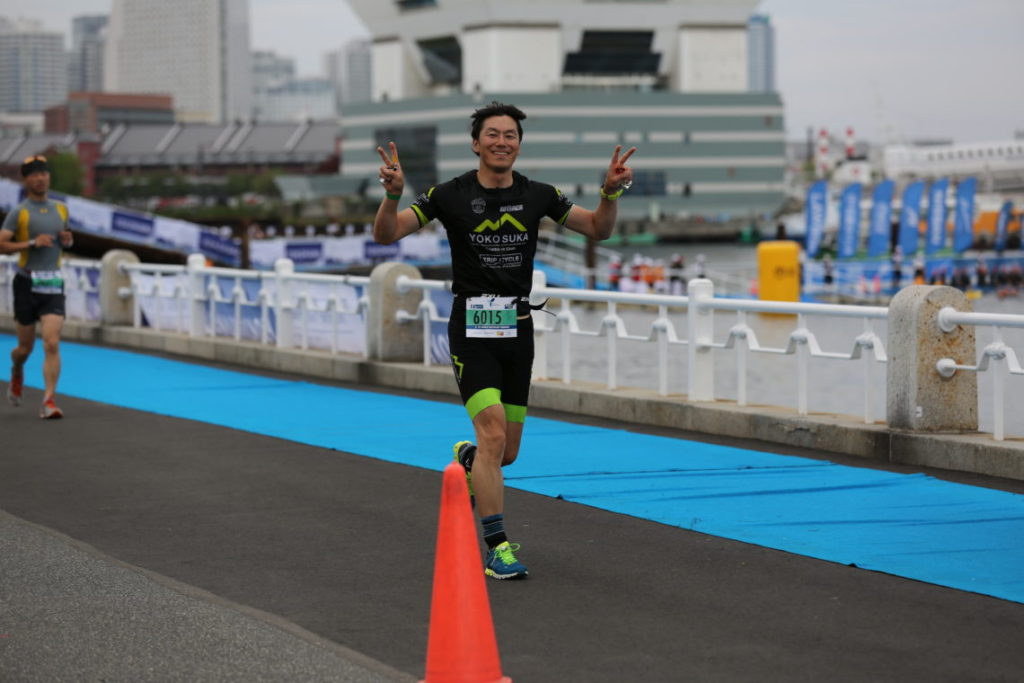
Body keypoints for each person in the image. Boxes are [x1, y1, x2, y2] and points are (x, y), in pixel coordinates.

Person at [372, 101, 635, 580]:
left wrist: (610, 193)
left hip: (518, 328)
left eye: (510, 135)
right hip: (471, 330)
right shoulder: (448, 194)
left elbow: (598, 228)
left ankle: (470, 460)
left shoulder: (539, 195)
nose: (501, 142)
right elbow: (388, 235)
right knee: (493, 433)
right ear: (476, 143)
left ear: (518, 145)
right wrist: (392, 196)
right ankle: (497, 548)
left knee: (505, 453)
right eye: (492, 134)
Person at [1, 154, 74, 418]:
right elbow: (2, 244)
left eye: (43, 173)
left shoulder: (61, 209)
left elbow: (65, 239)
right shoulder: (19, 212)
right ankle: (17, 370)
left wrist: (67, 240)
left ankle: (49, 401)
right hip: (26, 283)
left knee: (52, 343)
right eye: (34, 175)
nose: (40, 179)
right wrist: (31, 243)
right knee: (25, 348)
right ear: (26, 180)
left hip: (53, 281)